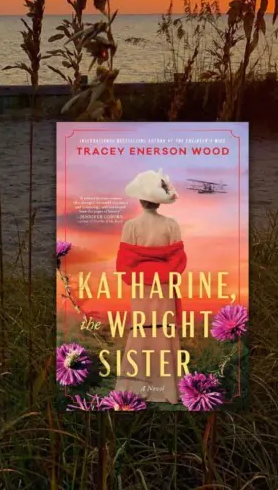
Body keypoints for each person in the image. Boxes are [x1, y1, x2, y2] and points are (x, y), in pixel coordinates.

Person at [113, 168, 187, 404]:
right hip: (164, 286)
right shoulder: (171, 225)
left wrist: (141, 274)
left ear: (140, 199)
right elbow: (178, 261)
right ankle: (168, 390)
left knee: (141, 331)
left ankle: (134, 388)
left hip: (140, 286)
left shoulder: (130, 226)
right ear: (159, 202)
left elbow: (124, 263)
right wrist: (163, 274)